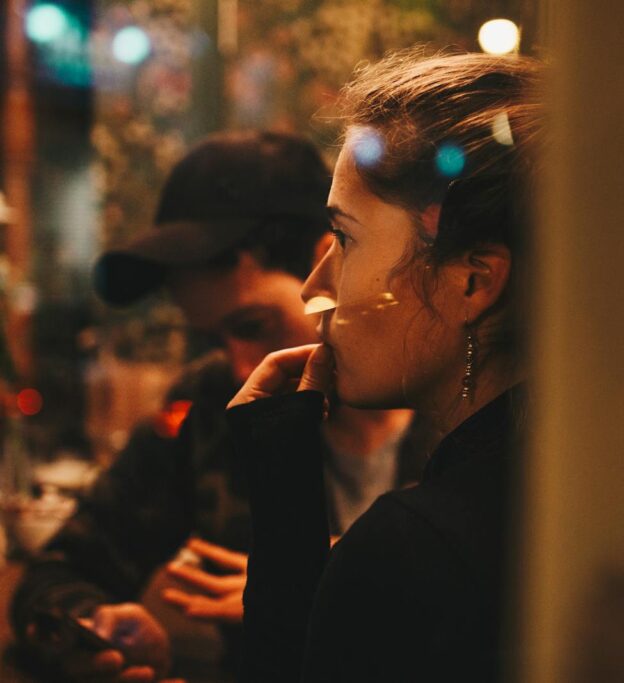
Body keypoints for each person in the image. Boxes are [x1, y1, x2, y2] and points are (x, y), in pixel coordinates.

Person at [11, 130, 427, 683]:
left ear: (330, 261)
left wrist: (338, 578)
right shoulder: (211, 402)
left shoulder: (451, 399)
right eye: (213, 338)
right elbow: (55, 576)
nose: (238, 365)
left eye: (251, 326)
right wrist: (96, 631)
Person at [226, 50, 543, 681]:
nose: (315, 287)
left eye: (344, 239)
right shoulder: (587, 488)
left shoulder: (416, 551)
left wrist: (285, 513)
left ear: (471, 282)